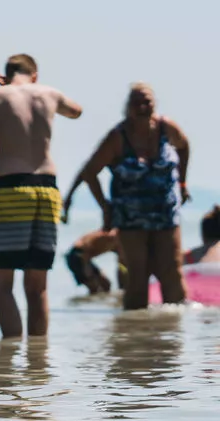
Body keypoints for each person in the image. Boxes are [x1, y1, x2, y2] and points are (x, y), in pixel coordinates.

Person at [0, 54, 82, 339]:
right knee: (37, 286)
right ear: (35, 74)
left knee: (1, 284)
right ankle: (38, 367)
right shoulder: (49, 93)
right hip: (47, 191)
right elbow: (76, 111)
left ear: (6, 74)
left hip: (10, 190)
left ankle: (10, 363)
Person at [67, 83, 190, 310]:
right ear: (128, 107)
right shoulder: (118, 137)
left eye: (147, 102)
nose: (143, 107)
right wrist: (105, 207)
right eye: (137, 103)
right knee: (137, 275)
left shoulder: (167, 127)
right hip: (130, 219)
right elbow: (89, 172)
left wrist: (182, 182)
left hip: (166, 213)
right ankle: (134, 334)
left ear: (155, 104)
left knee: (171, 271)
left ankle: (176, 335)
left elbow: (184, 146)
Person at [64, 229, 124, 294]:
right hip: (77, 256)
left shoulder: (118, 242)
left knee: (106, 284)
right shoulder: (109, 236)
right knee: (94, 288)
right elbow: (84, 246)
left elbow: (121, 264)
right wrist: (87, 270)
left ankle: (99, 303)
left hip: (86, 257)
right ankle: (86, 303)